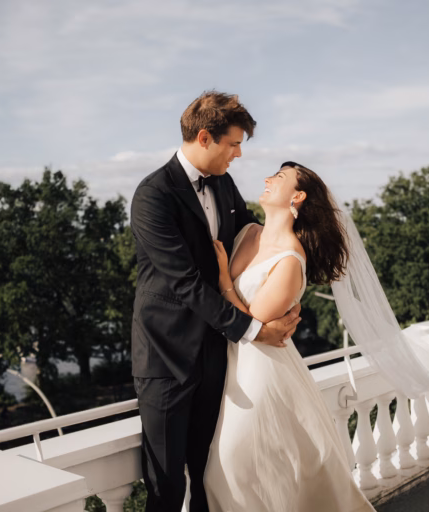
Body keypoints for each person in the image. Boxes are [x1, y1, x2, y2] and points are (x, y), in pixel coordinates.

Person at [130, 91, 302, 512]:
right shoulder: (153, 195)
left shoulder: (224, 184)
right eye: (233, 143)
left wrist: (291, 277)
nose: (239, 154)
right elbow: (185, 282)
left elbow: (254, 236)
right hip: (165, 358)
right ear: (204, 137)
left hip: (216, 356)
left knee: (212, 478)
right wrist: (255, 330)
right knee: (167, 487)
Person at [205, 161, 376, 512]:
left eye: (279, 178)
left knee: (234, 465)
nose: (267, 179)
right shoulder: (247, 232)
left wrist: (224, 279)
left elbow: (252, 325)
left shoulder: (291, 259)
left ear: (297, 196)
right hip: (224, 371)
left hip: (261, 375)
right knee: (225, 473)